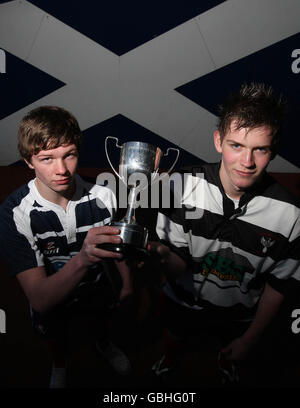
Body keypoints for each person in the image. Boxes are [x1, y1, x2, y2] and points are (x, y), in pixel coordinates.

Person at [148, 82, 300, 386]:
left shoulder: (291, 214)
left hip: (240, 312)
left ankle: (227, 361)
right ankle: (169, 358)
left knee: (232, 348)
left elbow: (279, 286)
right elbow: (179, 265)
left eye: (260, 149)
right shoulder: (178, 187)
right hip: (183, 301)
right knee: (174, 335)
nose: (247, 162)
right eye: (237, 146)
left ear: (273, 151)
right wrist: (162, 255)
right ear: (219, 141)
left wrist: (250, 339)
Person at [0, 106, 133, 388]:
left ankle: (104, 345)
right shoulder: (15, 213)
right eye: (47, 158)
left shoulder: (103, 195)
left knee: (101, 324)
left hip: (97, 288)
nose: (61, 170)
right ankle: (59, 363)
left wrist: (127, 283)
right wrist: (83, 258)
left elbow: (117, 244)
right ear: (28, 161)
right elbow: (39, 299)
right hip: (52, 298)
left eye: (68, 155)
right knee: (54, 335)